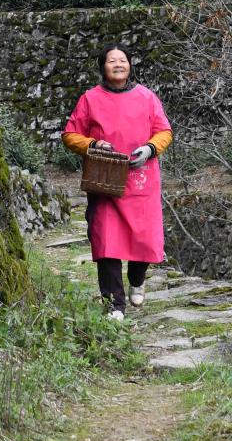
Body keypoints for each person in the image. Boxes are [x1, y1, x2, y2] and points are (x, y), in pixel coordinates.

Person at [61, 45, 172, 319]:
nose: (118, 64)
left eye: (123, 60)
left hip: (142, 181)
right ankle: (114, 305)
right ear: (103, 67)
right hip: (106, 183)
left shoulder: (147, 97)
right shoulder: (90, 99)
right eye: (112, 61)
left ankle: (137, 279)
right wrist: (93, 144)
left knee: (143, 239)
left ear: (130, 65)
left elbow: (164, 131)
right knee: (106, 242)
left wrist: (149, 149)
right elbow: (70, 135)